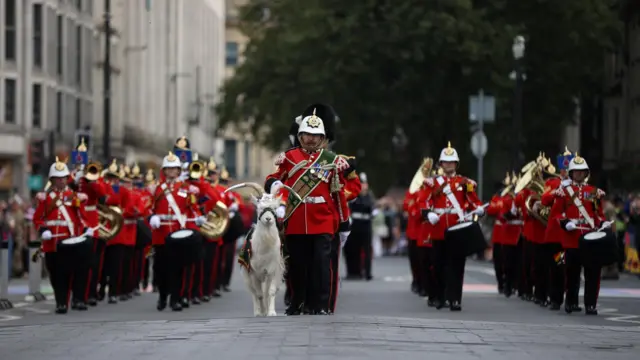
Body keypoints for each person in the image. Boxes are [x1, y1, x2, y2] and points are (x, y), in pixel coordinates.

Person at [265, 106, 351, 315]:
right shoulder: (289, 157)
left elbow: (338, 193)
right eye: (307, 135)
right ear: (300, 136)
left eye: (315, 136)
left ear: (322, 137)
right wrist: (276, 186)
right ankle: (297, 302)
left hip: (323, 220)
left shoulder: (330, 160)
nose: (311, 139)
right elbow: (272, 179)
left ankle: (320, 304)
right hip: (296, 220)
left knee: (322, 267)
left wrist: (344, 221)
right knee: (297, 267)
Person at [422, 142, 484, 311]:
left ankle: (455, 299)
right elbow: (424, 201)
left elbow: (472, 200)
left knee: (457, 265)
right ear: (441, 164)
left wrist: (478, 208)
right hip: (439, 228)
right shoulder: (432, 183)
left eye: (451, 162)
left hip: (458, 228)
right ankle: (439, 297)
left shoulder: (464, 182)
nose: (448, 165)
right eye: (445, 162)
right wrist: (428, 213)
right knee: (439, 264)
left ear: (456, 164)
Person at [32, 157, 94, 314]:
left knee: (79, 271)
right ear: (52, 180)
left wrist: (87, 228)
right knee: (58, 274)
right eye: (57, 178)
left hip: (72, 240)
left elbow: (81, 215)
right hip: (53, 242)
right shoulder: (45, 199)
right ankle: (61, 302)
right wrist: (43, 230)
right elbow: (38, 218)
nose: (61, 181)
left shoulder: (73, 197)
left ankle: (78, 299)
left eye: (63, 178)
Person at [551, 153, 608, 315]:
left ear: (586, 173)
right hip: (571, 237)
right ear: (571, 173)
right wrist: (565, 222)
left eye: (582, 171)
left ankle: (591, 304)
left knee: (592, 273)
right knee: (572, 272)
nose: (579, 174)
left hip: (589, 237)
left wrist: (602, 222)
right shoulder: (564, 191)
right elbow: (556, 213)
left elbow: (599, 213)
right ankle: (571, 302)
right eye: (576, 171)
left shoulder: (594, 192)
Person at [148, 152, 205, 311]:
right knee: (160, 269)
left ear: (179, 171)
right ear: (164, 171)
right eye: (169, 169)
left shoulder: (187, 189)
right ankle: (162, 295)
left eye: (175, 169)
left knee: (178, 269)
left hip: (179, 233)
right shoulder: (157, 189)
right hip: (161, 233)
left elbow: (193, 209)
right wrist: (152, 217)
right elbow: (148, 208)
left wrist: (199, 217)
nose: (172, 172)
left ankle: (176, 299)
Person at [344, 172, 375, 280]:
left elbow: (371, 208)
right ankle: (354, 272)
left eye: (365, 184)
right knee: (353, 249)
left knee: (367, 250)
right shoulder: (355, 195)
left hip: (366, 224)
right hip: (355, 224)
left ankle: (367, 272)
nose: (364, 186)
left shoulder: (369, 196)